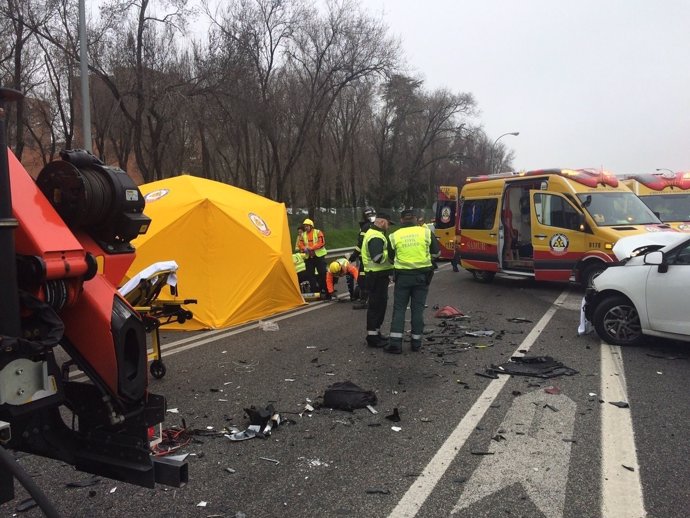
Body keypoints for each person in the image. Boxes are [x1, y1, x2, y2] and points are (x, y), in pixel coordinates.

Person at [385, 208, 440, 354]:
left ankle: (395, 344)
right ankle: (416, 343)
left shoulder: (394, 235)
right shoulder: (426, 232)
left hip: (402, 277)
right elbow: (436, 252)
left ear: (402, 220)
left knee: (399, 309)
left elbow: (390, 258)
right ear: (416, 219)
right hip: (422, 277)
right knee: (418, 309)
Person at [361, 212, 394, 348]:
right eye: (388, 223)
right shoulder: (376, 236)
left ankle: (376, 332)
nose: (389, 226)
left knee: (380, 305)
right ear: (381, 222)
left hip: (377, 275)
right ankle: (372, 337)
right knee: (376, 306)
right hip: (376, 276)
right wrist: (391, 252)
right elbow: (378, 258)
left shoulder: (375, 234)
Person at [349, 207, 377, 309]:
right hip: (374, 257)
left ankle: (364, 301)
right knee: (373, 279)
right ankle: (373, 299)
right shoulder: (375, 226)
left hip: (366, 259)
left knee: (362, 280)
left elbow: (360, 244)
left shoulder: (366, 227)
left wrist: (353, 256)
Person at [297, 218, 328, 293]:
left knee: (322, 273)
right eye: (305, 226)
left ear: (311, 226)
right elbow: (300, 244)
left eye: (307, 226)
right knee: (310, 275)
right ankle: (314, 291)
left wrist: (311, 248)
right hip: (309, 257)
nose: (306, 227)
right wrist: (304, 248)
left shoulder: (318, 232)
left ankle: (326, 290)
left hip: (319, 256)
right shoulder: (303, 235)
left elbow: (321, 243)